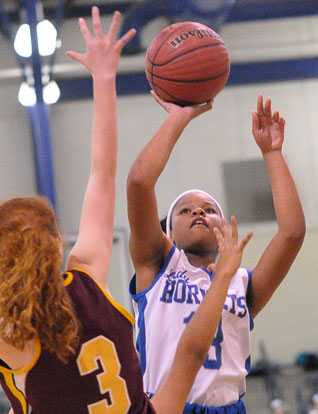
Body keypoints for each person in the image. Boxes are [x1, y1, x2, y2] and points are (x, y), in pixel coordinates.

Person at [0, 7, 253, 414]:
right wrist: (104, 78)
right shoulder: (85, 280)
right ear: (53, 248)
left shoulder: (13, 337)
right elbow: (104, 172)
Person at [127, 91, 306, 414]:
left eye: (209, 209)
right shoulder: (156, 265)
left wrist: (273, 154)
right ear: (167, 231)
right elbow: (140, 182)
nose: (198, 212)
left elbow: (292, 234)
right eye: (185, 210)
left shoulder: (240, 283)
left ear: (223, 225)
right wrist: (177, 119)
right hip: (165, 406)